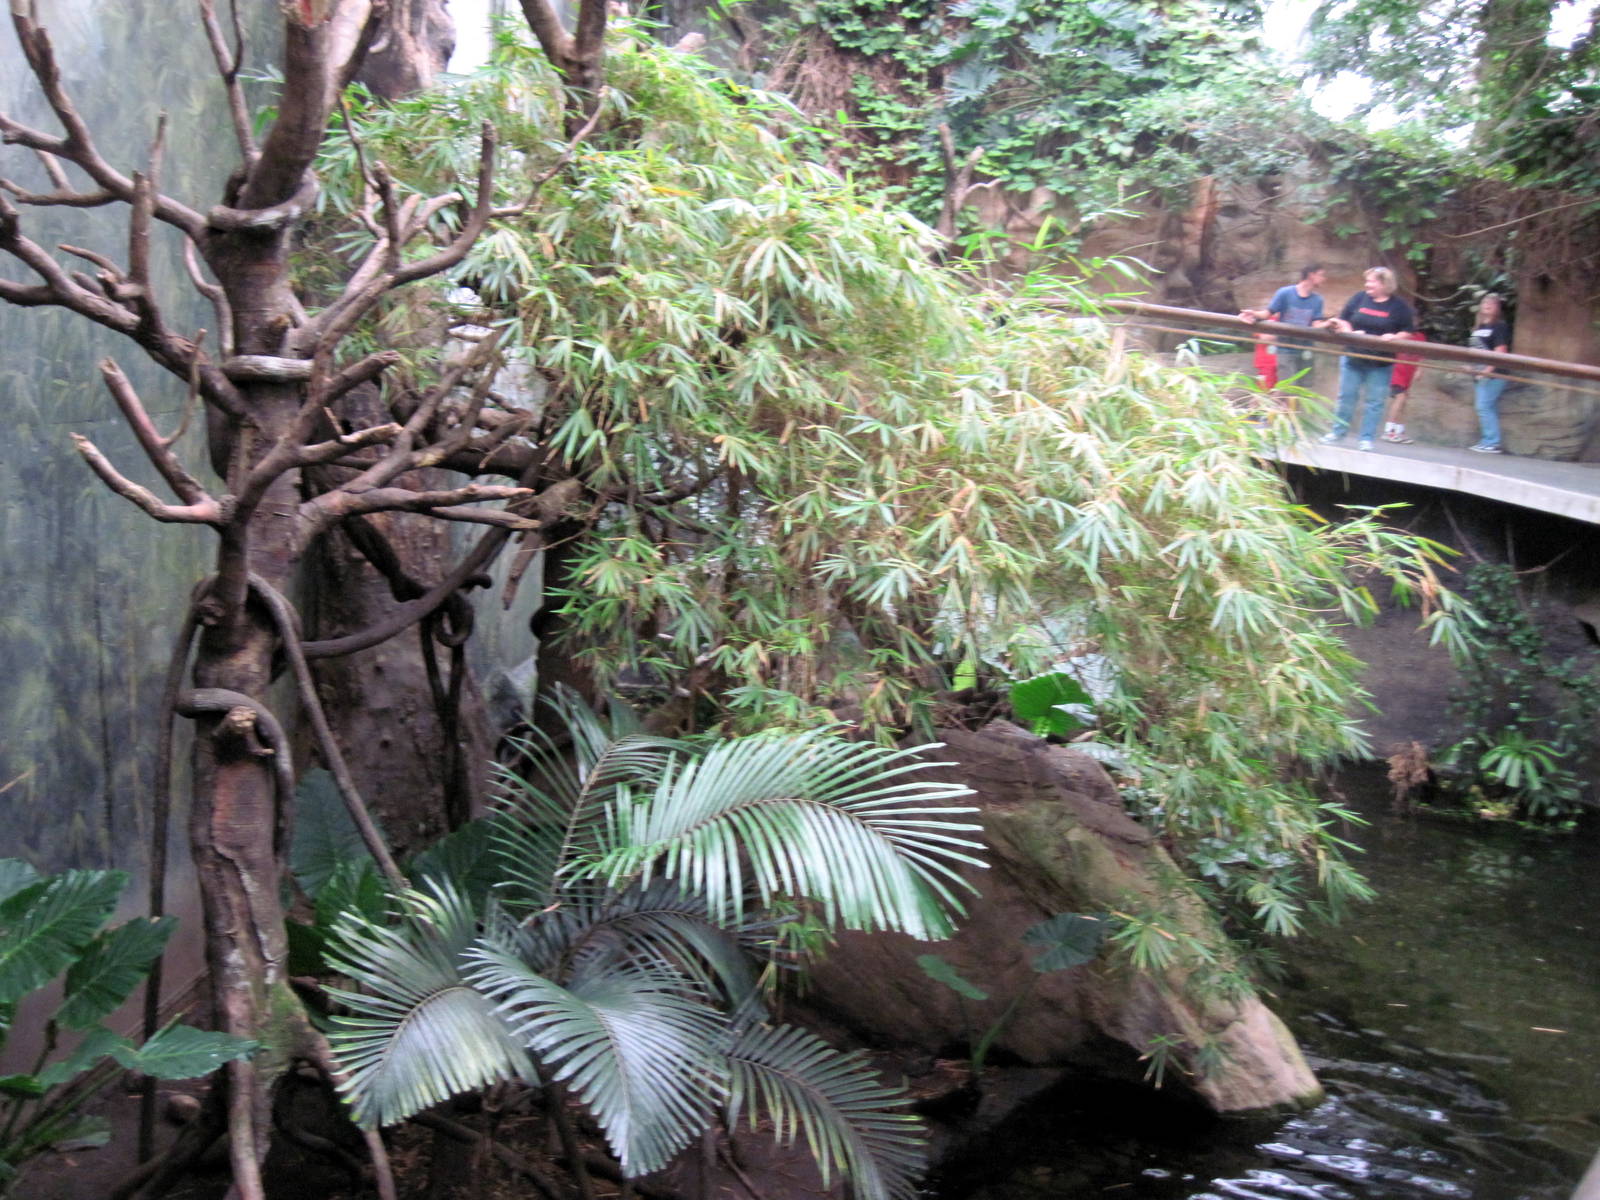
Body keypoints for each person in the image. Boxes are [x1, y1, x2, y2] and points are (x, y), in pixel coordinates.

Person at [1321, 266, 1416, 451]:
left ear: (1383, 284)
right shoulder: (1359, 298)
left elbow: (1408, 331)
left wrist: (1394, 337)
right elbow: (1344, 319)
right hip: (1353, 357)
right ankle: (1338, 432)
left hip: (1380, 362)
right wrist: (1348, 330)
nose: (1367, 284)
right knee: (1346, 396)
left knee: (1375, 401)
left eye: (1371, 281)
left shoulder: (1399, 306)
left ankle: (1366, 438)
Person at [1240, 265, 1326, 384]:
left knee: (1301, 391)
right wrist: (1253, 314)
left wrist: (1329, 324)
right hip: (1285, 349)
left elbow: (1316, 325)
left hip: (1305, 349)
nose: (1324, 279)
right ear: (1311, 275)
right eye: (1321, 275)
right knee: (1287, 388)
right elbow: (1267, 313)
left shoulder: (1318, 300)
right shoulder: (1285, 293)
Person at [1467, 294, 1512, 454]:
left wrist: (1486, 371)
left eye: (1492, 303)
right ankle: (1488, 440)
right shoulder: (1478, 328)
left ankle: (1492, 442)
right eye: (1484, 301)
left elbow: (1500, 351)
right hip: (1479, 373)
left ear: (1497, 308)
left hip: (1494, 373)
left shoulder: (1499, 326)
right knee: (1487, 406)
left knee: (1483, 406)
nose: (1487, 304)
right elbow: (1474, 351)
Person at [1381, 330, 1426, 443]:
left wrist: (1419, 369)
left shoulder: (1420, 336)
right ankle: (1389, 431)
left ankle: (1399, 431)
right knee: (1400, 398)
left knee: (1403, 401)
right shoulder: (1399, 334)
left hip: (1408, 373)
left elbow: (1422, 354)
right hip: (1397, 372)